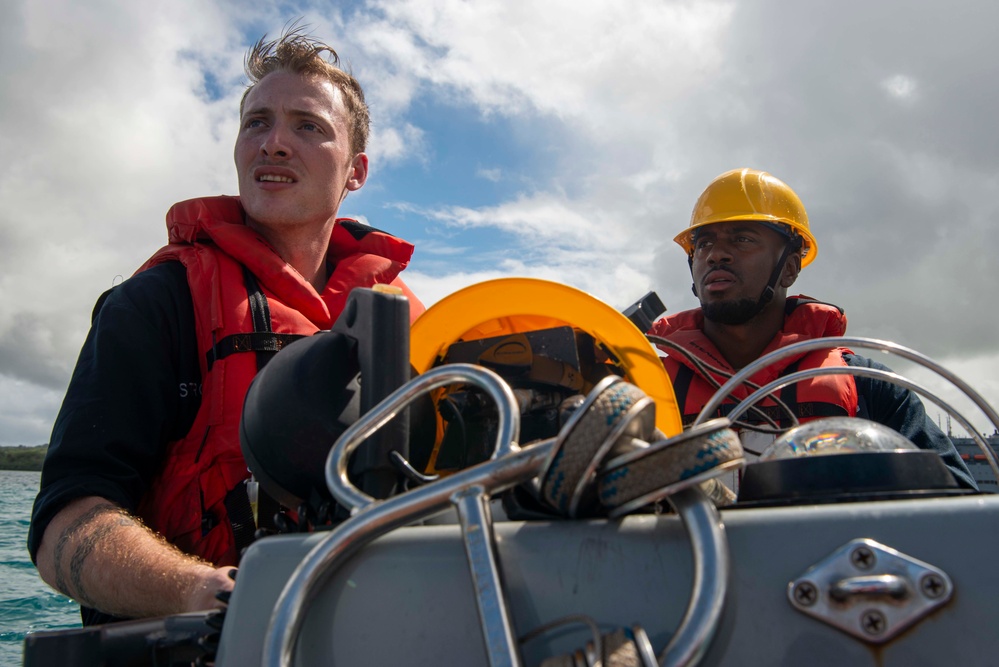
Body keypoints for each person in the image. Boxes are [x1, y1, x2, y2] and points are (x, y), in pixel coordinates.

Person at [28, 27, 425, 626]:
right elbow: (63, 527)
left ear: (356, 170)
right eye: (256, 123)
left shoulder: (409, 323)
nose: (275, 144)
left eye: (308, 126)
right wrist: (202, 592)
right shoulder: (155, 304)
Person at [648, 167, 976, 490]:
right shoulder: (647, 389)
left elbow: (957, 513)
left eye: (743, 239)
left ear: (789, 268)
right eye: (703, 244)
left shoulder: (870, 388)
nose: (717, 254)